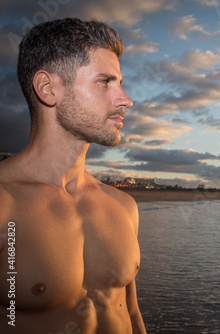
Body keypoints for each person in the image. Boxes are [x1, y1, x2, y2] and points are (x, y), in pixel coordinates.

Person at [0, 17, 146, 333]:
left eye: (120, 82)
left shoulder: (123, 206)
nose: (126, 100)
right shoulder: (4, 205)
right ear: (48, 88)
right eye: (105, 81)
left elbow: (132, 316)